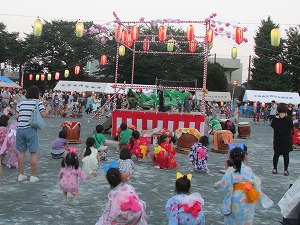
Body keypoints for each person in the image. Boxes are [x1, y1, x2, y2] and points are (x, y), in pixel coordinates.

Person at [214, 147, 273, 224]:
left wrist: (217, 185)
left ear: (230, 158)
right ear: (243, 158)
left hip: (237, 197)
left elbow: (224, 183)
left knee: (234, 219)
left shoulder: (231, 170)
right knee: (247, 219)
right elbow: (257, 181)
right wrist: (258, 192)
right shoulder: (248, 169)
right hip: (249, 196)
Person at [15, 86, 50, 182]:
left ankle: (21, 174)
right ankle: (32, 176)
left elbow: (17, 116)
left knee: (21, 152)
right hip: (30, 129)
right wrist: (47, 108)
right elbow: (44, 115)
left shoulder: (21, 103)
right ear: (36, 94)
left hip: (20, 129)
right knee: (33, 152)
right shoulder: (38, 102)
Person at [271, 103, 293, 176]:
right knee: (286, 155)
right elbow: (291, 127)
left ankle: (275, 168)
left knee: (276, 154)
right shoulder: (289, 119)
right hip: (286, 139)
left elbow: (273, 126)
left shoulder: (275, 119)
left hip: (277, 139)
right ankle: (286, 170)